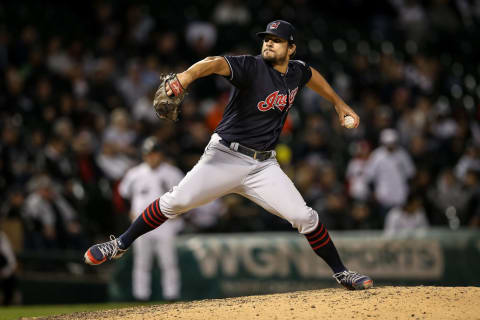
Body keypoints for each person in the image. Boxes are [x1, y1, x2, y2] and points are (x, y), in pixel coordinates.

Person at [85, 20, 373, 290]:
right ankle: (119, 244)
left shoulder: (296, 71)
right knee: (176, 202)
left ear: (291, 48)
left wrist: (338, 103)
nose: (269, 44)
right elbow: (214, 63)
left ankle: (341, 273)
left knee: (305, 217)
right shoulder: (251, 67)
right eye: (267, 39)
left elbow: (311, 75)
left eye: (278, 40)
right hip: (224, 157)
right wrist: (186, 77)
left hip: (263, 166)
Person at [118, 137, 183, 301]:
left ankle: (171, 296)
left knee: (168, 262)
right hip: (140, 224)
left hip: (165, 224)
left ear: (161, 154)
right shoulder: (134, 173)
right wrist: (129, 211)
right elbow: (121, 195)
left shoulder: (172, 172)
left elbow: (185, 195)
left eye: (155, 153)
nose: (152, 157)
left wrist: (180, 212)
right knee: (142, 262)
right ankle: (141, 297)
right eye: (149, 154)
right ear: (144, 155)